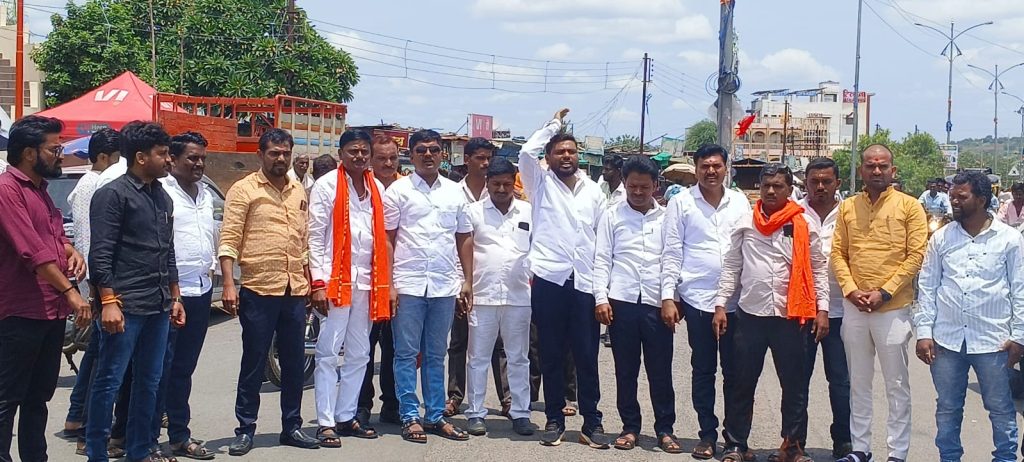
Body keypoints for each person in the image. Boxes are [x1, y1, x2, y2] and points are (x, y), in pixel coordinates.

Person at [714, 163, 829, 462]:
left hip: (791, 317)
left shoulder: (804, 223)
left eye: (778, 186)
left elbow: (818, 269)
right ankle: (736, 445)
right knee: (741, 383)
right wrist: (721, 304)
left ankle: (792, 447)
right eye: (766, 185)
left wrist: (822, 310)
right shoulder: (745, 222)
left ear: (790, 190)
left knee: (794, 386)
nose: (771, 191)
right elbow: (732, 266)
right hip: (750, 315)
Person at [86, 121, 186, 462]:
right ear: (141, 157)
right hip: (124, 305)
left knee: (150, 382)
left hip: (158, 305)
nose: (168, 160)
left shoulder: (162, 197)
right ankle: (97, 453)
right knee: (109, 381)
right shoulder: (112, 195)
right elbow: (100, 254)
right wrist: (108, 301)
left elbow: (167, 251)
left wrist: (175, 297)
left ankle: (140, 451)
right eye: (162, 154)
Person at [219, 129, 320, 455]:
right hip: (258, 289)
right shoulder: (244, 189)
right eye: (274, 153)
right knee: (254, 361)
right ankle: (245, 429)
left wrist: (309, 280)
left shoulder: (297, 190)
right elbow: (229, 239)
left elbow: (303, 241)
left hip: (294, 290)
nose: (281, 158)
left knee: (293, 363)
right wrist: (229, 283)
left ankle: (292, 426)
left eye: (285, 153)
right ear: (260, 154)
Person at [915, 171, 1024, 462]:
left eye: (961, 197)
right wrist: (924, 332)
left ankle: (1005, 458)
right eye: (952, 196)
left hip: (993, 342)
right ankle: (949, 458)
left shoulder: (1010, 239)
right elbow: (927, 285)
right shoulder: (941, 237)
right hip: (947, 340)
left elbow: (1020, 288)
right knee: (947, 408)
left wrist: (1019, 336)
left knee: (1000, 408)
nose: (953, 201)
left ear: (982, 199)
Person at [0, 115, 90, 462]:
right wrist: (71, 292)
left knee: (38, 397)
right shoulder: (8, 190)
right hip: (20, 311)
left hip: (50, 310)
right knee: (7, 397)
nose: (60, 155)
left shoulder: (40, 190)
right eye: (54, 149)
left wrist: (70, 249)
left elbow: (52, 235)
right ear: (28, 153)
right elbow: (31, 251)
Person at [518, 108, 609, 449]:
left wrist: (602, 291)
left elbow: (602, 242)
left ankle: (592, 422)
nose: (566, 156)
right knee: (551, 354)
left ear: (578, 155)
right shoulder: (539, 183)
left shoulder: (594, 191)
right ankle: (554, 419)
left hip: (584, 283)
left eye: (571, 151)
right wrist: (554, 125)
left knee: (586, 356)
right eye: (559, 151)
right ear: (549, 156)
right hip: (549, 281)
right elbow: (526, 152)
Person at [832, 144, 927, 462]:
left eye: (882, 166)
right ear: (861, 170)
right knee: (858, 382)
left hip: (893, 309)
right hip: (855, 307)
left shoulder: (910, 207)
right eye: (870, 166)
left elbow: (916, 255)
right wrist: (850, 290)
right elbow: (838, 253)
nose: (876, 171)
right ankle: (860, 449)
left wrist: (884, 292)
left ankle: (897, 453)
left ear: (892, 170)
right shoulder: (848, 207)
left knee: (896, 384)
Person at [660, 143, 751, 460]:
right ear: (696, 168)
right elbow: (672, 252)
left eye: (716, 166)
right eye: (705, 166)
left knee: (736, 374)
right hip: (697, 299)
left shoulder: (739, 202)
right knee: (703, 371)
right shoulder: (681, 203)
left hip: (736, 302)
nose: (711, 171)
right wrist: (669, 296)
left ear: (726, 168)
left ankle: (735, 440)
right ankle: (707, 436)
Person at [383, 129, 474, 444]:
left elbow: (464, 237)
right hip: (408, 284)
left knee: (436, 354)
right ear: (411, 155)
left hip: (444, 285)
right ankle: (410, 416)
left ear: (442, 154)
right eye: (421, 150)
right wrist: (390, 284)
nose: (428, 155)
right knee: (406, 354)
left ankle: (434, 416)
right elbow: (388, 239)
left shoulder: (455, 192)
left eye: (434, 149)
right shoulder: (398, 191)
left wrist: (467, 280)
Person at [593, 155, 679, 453]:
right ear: (625, 184)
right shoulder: (612, 216)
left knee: (660, 371)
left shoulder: (667, 218)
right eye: (632, 187)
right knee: (625, 370)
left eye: (644, 187)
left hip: (657, 304)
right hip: (622, 302)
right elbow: (602, 259)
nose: (638, 192)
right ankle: (630, 427)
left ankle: (665, 429)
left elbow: (671, 259)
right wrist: (601, 298)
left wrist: (670, 298)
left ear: (656, 186)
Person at [308, 130, 389, 447]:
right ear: (341, 153)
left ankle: (346, 415)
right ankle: (325, 421)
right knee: (329, 352)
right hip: (334, 282)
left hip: (367, 282)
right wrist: (317, 282)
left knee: (360, 353)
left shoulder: (375, 187)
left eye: (364, 151)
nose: (360, 156)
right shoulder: (327, 185)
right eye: (353, 151)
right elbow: (315, 236)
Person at [152, 131, 217, 460]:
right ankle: (148, 439)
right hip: (170, 294)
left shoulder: (205, 193)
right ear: (173, 159)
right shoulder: (161, 192)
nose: (199, 163)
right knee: (158, 370)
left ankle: (179, 435)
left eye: (202, 158)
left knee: (183, 370)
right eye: (192, 158)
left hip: (201, 291)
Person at [463, 157, 535, 437]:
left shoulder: (528, 211)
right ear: (488, 183)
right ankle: (475, 413)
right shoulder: (473, 212)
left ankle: (521, 413)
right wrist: (464, 284)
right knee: (478, 358)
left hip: (519, 296)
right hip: (483, 295)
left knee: (519, 357)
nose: (502, 189)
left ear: (514, 182)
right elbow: (463, 250)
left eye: (507, 184)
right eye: (496, 184)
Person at [447, 136, 512, 418]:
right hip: (459, 279)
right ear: (467, 160)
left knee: (499, 344)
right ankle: (455, 396)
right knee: (459, 341)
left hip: (493, 282)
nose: (485, 163)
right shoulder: (452, 193)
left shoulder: (499, 191)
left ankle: (507, 398)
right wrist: (460, 281)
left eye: (489, 158)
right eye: (480, 158)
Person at [63, 127, 121, 439]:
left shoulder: (96, 181)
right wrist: (96, 290)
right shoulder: (94, 184)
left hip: (97, 281)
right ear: (103, 157)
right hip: (98, 282)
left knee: (97, 352)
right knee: (103, 355)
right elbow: (90, 240)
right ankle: (85, 421)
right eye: (118, 156)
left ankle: (77, 415)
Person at [797, 158, 852, 460]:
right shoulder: (793, 212)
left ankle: (843, 440)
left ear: (837, 183)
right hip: (802, 311)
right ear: (805, 183)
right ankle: (796, 441)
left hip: (842, 310)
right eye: (814, 181)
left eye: (826, 181)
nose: (820, 187)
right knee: (797, 380)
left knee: (841, 382)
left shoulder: (850, 213)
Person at [356, 134, 404, 426]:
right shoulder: (361, 189)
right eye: (381, 158)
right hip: (366, 278)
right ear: (371, 160)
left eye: (393, 158)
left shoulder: (407, 188)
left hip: (401, 278)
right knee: (364, 345)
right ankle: (361, 405)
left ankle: (393, 404)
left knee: (396, 347)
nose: (388, 163)